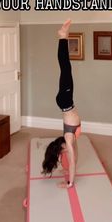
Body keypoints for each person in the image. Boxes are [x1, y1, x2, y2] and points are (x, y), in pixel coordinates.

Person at [42, 19, 81, 188]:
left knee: (65, 66)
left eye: (62, 154)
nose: (66, 154)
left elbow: (71, 161)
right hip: (66, 102)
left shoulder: (68, 137)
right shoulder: (71, 139)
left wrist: (69, 183)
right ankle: (63, 36)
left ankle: (62, 36)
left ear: (62, 148)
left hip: (66, 101)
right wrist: (67, 172)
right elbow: (75, 158)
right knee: (65, 67)